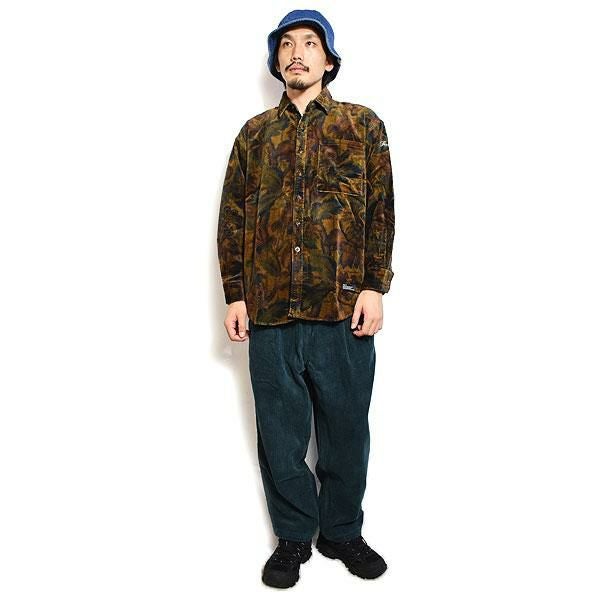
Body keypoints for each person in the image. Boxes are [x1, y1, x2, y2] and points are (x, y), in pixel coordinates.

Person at [217, 9, 395, 588]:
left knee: (346, 431)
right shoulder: (253, 135)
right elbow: (233, 217)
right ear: (276, 60)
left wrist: (375, 285)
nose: (297, 53)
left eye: (310, 43)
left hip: (342, 311)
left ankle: (341, 531)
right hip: (269, 310)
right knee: (281, 437)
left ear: (328, 59)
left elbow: (380, 212)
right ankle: (294, 537)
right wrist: (235, 294)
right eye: (287, 44)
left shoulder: (362, 125)